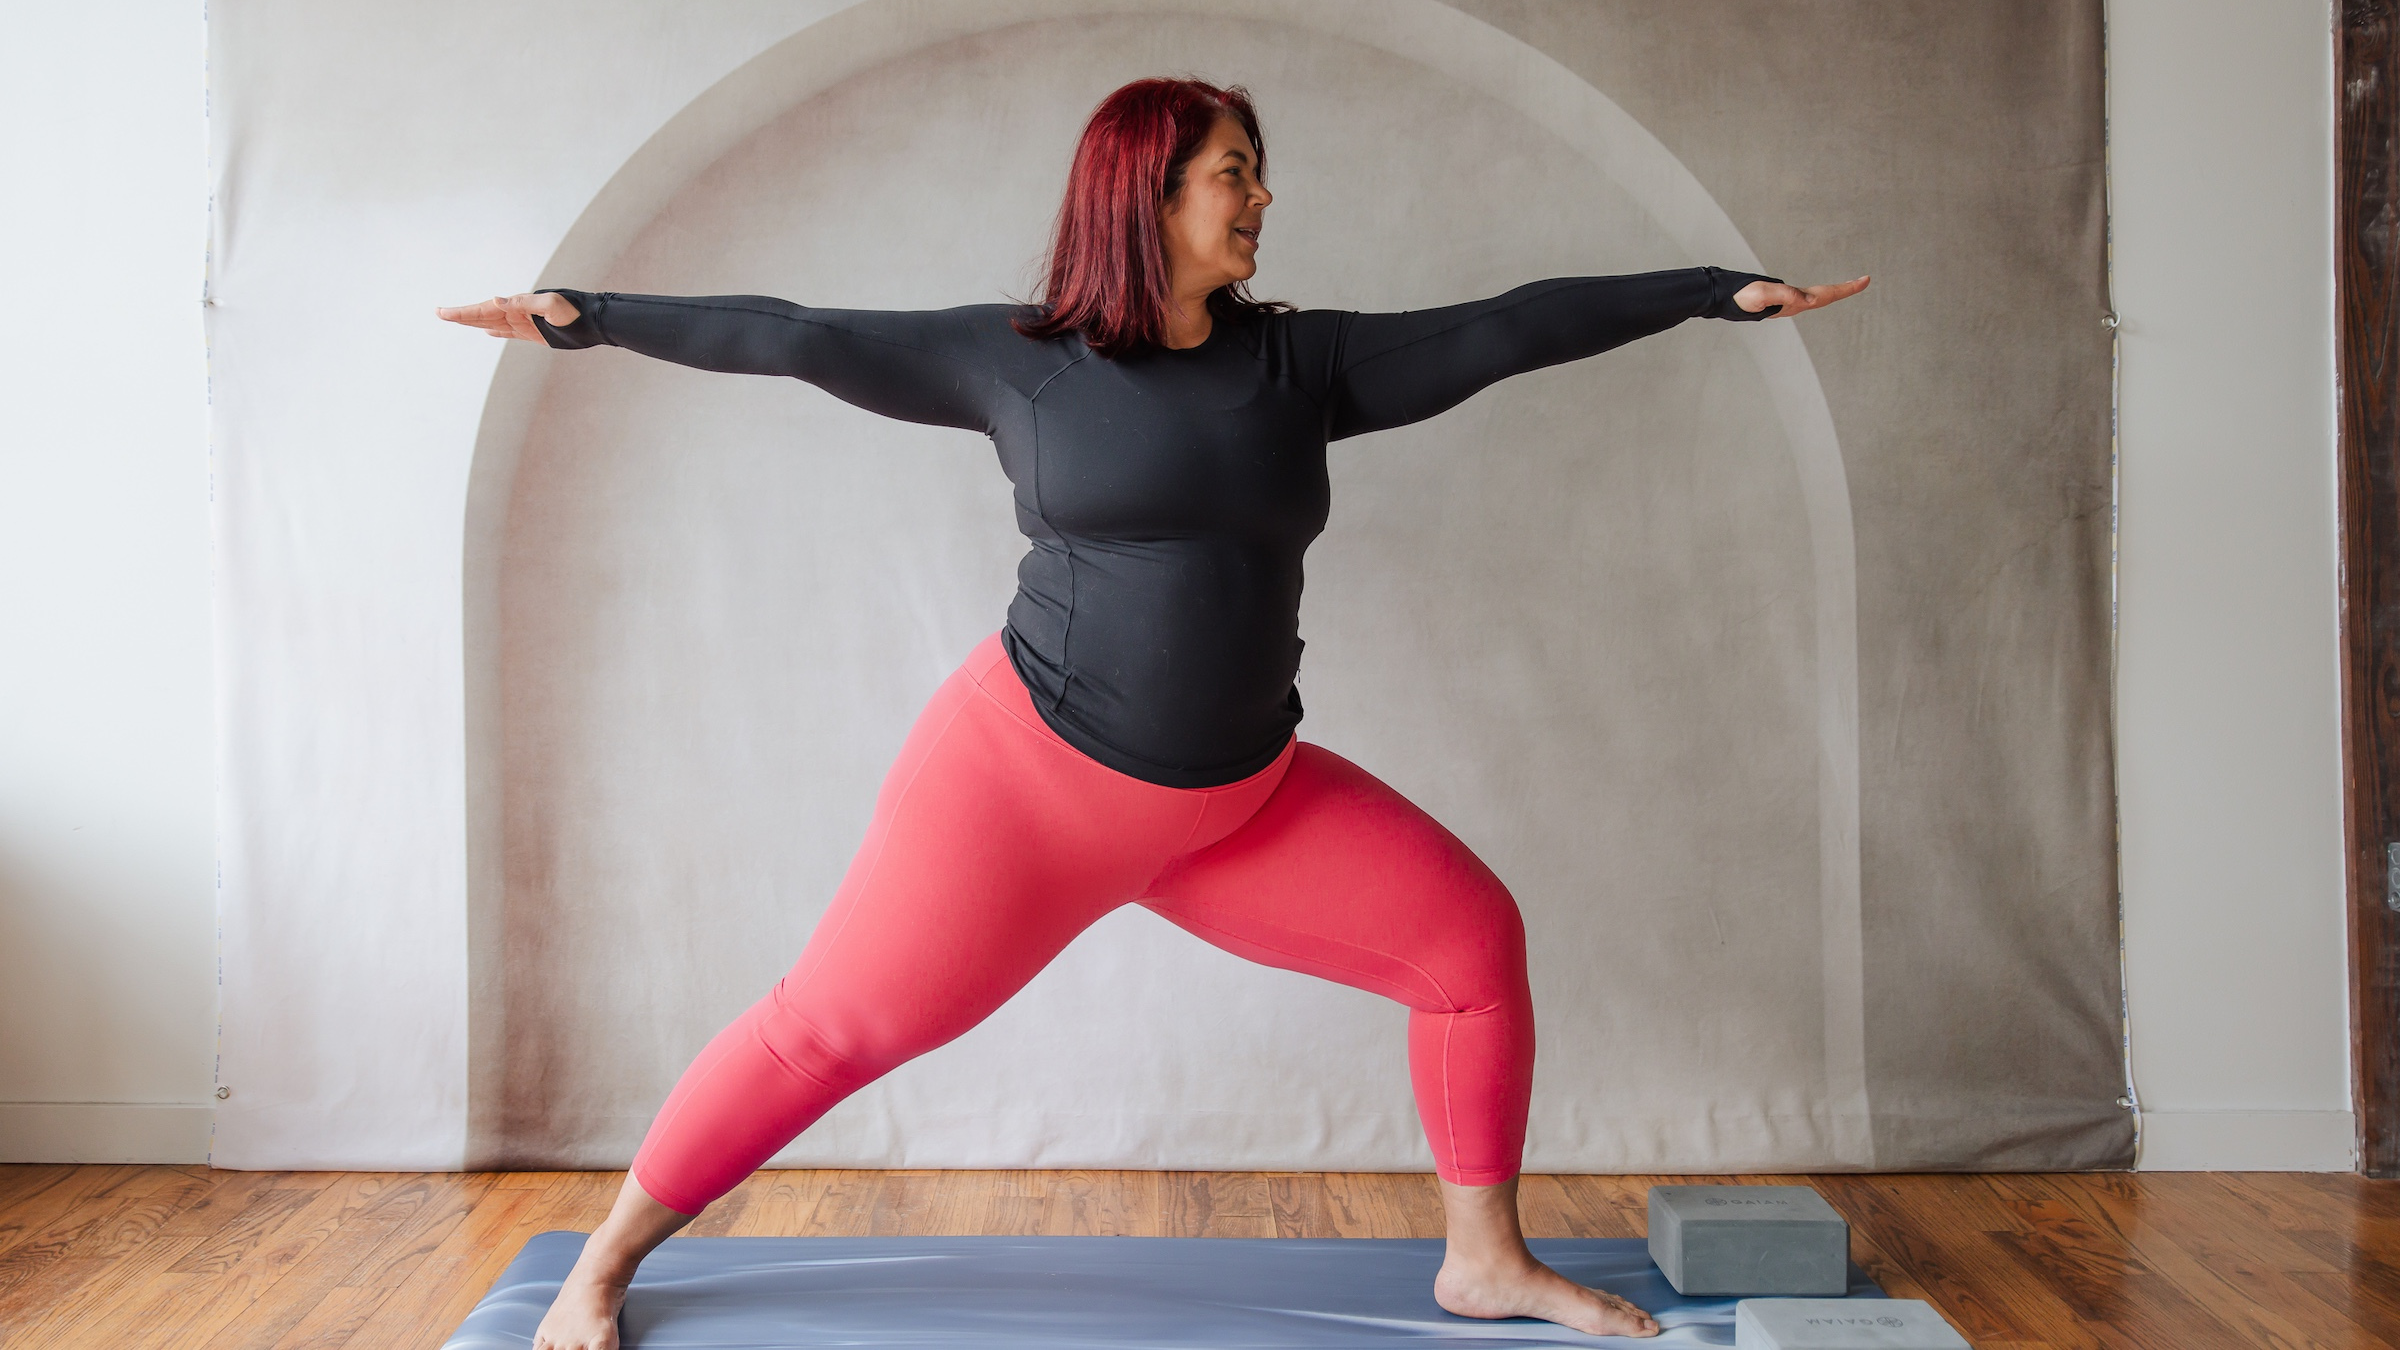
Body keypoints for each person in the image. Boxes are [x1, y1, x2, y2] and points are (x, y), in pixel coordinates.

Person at [442, 76, 1866, 1350]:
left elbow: (1500, 327)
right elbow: (802, 334)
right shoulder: (1018, 360)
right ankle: (610, 1262)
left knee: (1470, 943)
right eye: (1233, 171)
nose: (1260, 197)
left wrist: (1701, 289)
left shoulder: (1302, 366)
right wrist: (594, 320)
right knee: (827, 1029)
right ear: (1148, 192)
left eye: (1254, 169)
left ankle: (1484, 1262)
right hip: (1020, 792)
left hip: (1238, 803)